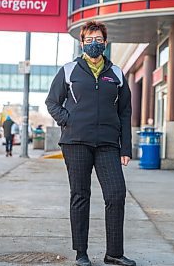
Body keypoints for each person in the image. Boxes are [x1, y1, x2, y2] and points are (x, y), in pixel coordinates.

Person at [46, 20, 135, 266]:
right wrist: (68, 121)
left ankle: (114, 253)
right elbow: (52, 102)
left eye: (98, 40)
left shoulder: (116, 73)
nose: (94, 44)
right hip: (76, 142)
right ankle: (81, 253)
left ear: (105, 42)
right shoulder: (68, 70)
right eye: (89, 40)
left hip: (108, 143)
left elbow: (125, 112)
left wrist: (125, 147)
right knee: (80, 195)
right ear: (82, 43)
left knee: (116, 194)